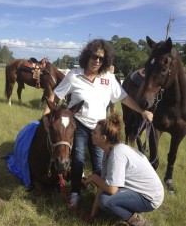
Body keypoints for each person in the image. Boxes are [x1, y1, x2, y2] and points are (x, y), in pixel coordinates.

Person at [43, 38, 153, 208]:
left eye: (101, 58)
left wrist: (142, 111)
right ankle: (75, 193)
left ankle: (99, 195)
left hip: (99, 129)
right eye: (94, 56)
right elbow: (55, 96)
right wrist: (46, 116)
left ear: (105, 60)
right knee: (78, 158)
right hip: (77, 124)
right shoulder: (74, 75)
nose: (97, 61)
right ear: (87, 56)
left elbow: (124, 98)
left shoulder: (108, 78)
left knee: (100, 162)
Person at [84, 114, 164, 226]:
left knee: (106, 201)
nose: (91, 133)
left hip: (150, 197)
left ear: (103, 138)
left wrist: (93, 178)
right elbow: (102, 185)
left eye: (94, 132)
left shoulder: (117, 154)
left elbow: (110, 189)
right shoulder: (108, 152)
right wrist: (92, 215)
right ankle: (130, 209)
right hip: (142, 191)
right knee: (101, 178)